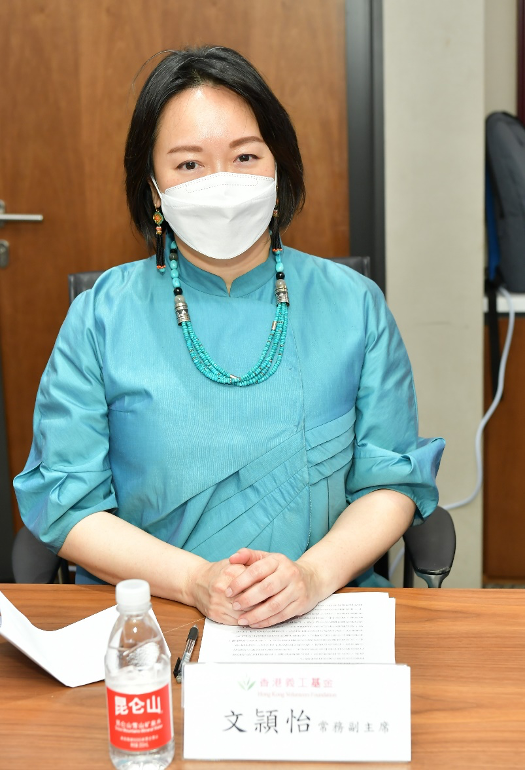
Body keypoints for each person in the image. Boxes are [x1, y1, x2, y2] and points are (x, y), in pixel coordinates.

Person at [14, 46, 445, 629]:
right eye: (189, 164)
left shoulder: (355, 305)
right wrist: (194, 581)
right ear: (153, 188)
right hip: (151, 619)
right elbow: (67, 502)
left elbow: (391, 479)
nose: (220, 183)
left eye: (245, 156)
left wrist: (312, 576)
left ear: (278, 168)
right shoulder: (100, 318)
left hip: (324, 615)